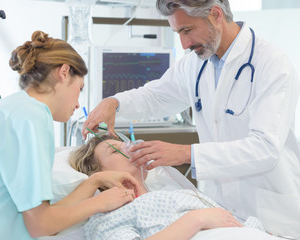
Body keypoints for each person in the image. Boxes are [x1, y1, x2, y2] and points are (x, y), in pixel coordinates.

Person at [81, 0, 300, 238]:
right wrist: (114, 102)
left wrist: (186, 153)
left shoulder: (271, 63)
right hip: (219, 211)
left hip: (271, 213)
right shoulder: (195, 64)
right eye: (178, 33)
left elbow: (265, 148)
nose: (184, 44)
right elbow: (156, 96)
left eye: (187, 30)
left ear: (216, 14)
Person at [0, 31, 140, 240]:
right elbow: (41, 225)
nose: (78, 103)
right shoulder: (31, 117)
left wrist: (94, 182)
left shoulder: (16, 108)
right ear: (63, 72)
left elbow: (41, 216)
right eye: (79, 88)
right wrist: (100, 203)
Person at [69, 135, 283, 240]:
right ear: (98, 173)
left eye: (125, 143)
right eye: (116, 152)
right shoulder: (109, 215)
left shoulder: (174, 193)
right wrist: (196, 220)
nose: (129, 148)